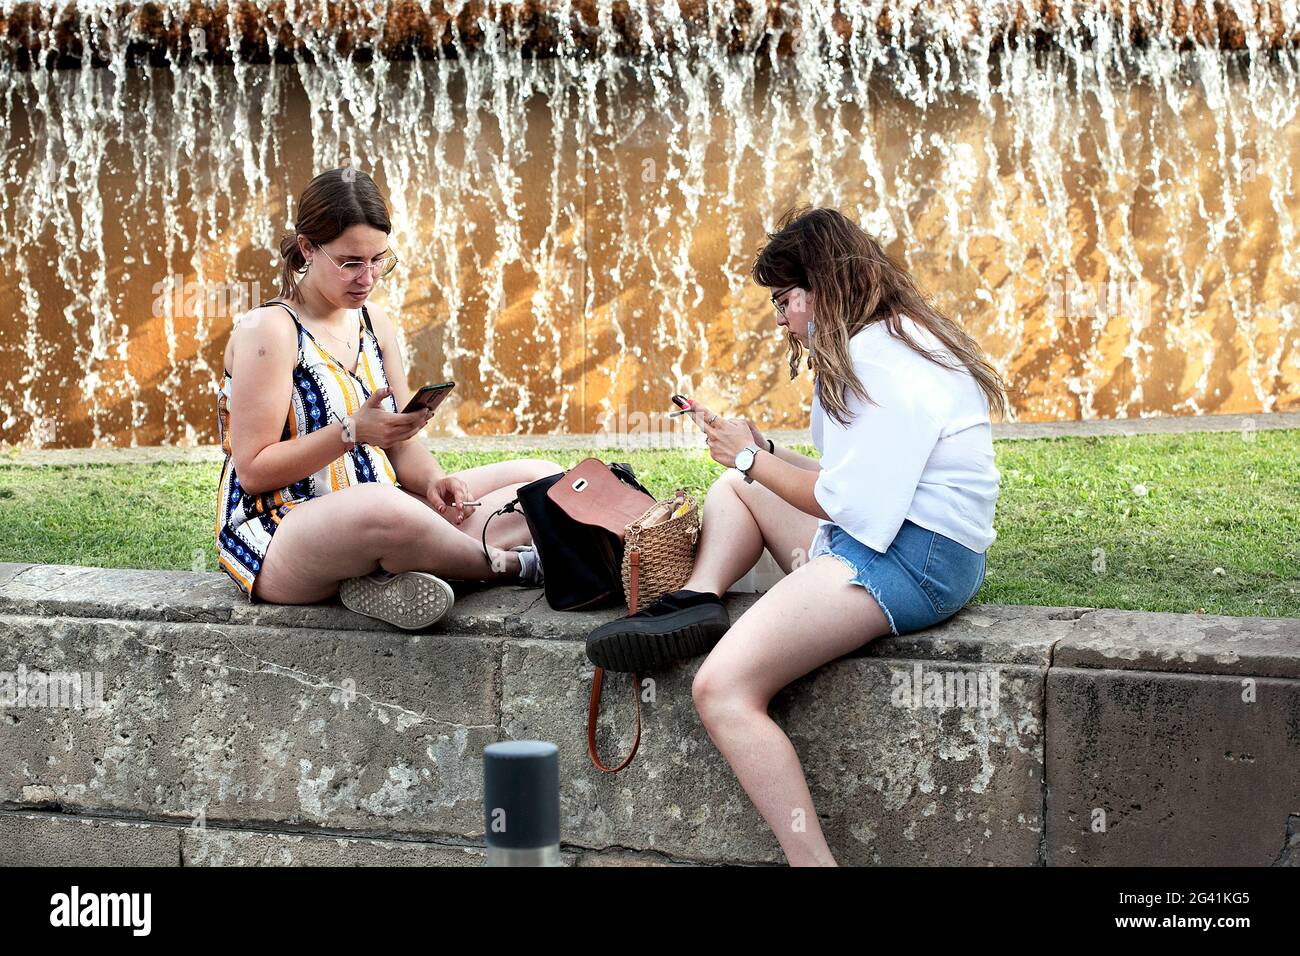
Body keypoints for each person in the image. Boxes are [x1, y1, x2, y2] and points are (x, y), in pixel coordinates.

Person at [585, 206, 1007, 865]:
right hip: (914, 543)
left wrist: (751, 458)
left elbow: (852, 507)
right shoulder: (895, 339)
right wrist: (764, 453)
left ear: (821, 286)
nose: (781, 319)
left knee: (720, 690)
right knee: (737, 490)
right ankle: (699, 598)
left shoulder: (876, 364)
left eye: (785, 300)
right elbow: (857, 481)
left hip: (909, 562)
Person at [215, 168, 562, 629]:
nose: (368, 277)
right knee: (379, 506)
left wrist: (436, 482)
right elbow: (254, 470)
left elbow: (398, 442)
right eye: (351, 262)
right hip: (281, 533)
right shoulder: (269, 330)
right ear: (306, 248)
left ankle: (401, 570)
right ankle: (507, 565)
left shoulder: (375, 322)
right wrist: (351, 433)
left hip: (389, 510)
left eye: (379, 260)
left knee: (545, 481)